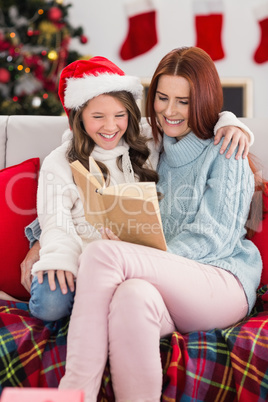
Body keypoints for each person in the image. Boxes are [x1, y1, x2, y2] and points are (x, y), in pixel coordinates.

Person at [57, 47, 263, 401]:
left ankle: (75, 393)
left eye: (183, 101)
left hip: (222, 281)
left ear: (203, 101)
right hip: (166, 282)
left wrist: (139, 254)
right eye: (162, 98)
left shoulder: (226, 149)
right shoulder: (148, 145)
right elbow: (66, 174)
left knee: (105, 256)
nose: (170, 111)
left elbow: (214, 239)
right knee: (130, 298)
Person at [18, 55, 252, 322]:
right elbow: (55, 217)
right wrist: (50, 249)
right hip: (82, 255)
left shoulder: (146, 142)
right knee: (51, 303)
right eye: (97, 117)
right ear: (78, 118)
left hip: (132, 263)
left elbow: (195, 121)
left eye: (119, 115)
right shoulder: (63, 160)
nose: (110, 126)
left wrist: (230, 122)